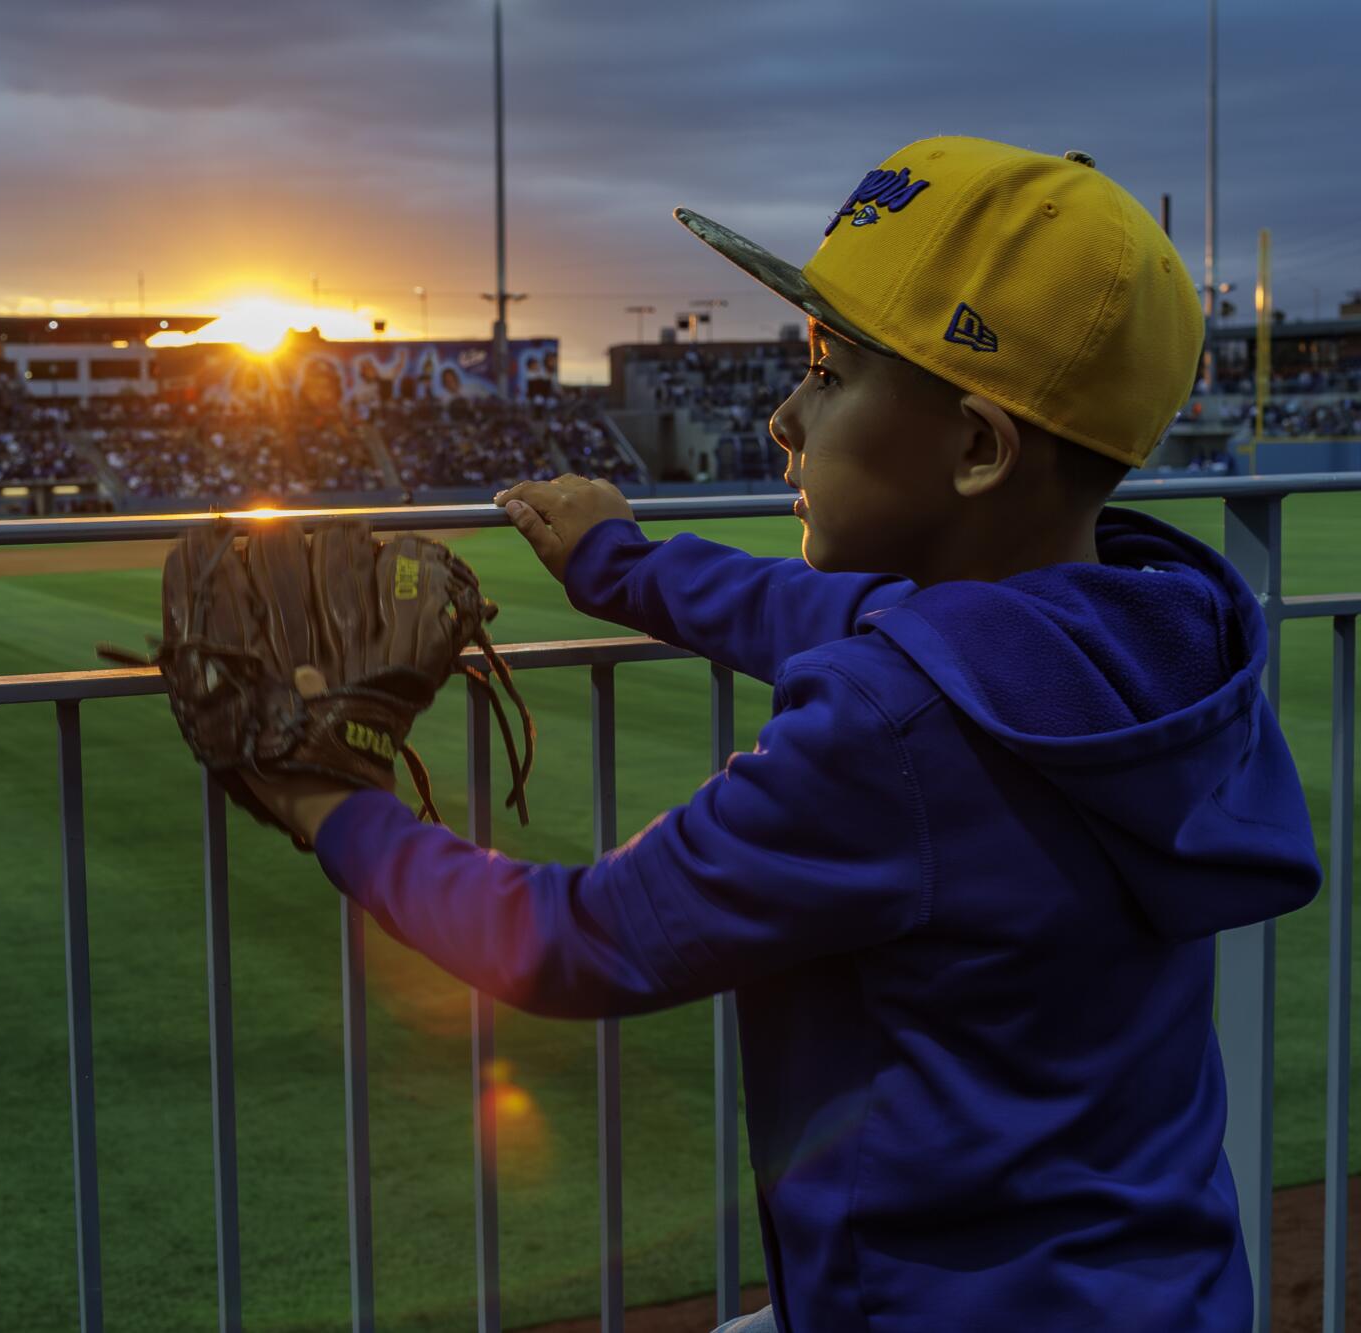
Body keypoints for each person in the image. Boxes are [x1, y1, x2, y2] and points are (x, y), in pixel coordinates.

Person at [242, 138, 1321, 1331]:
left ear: (975, 448)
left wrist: (323, 803)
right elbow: (843, 612)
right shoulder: (1152, 633)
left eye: (829, 370)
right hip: (1167, 1291)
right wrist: (622, 568)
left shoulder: (888, 733)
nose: (780, 417)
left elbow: (572, 939)